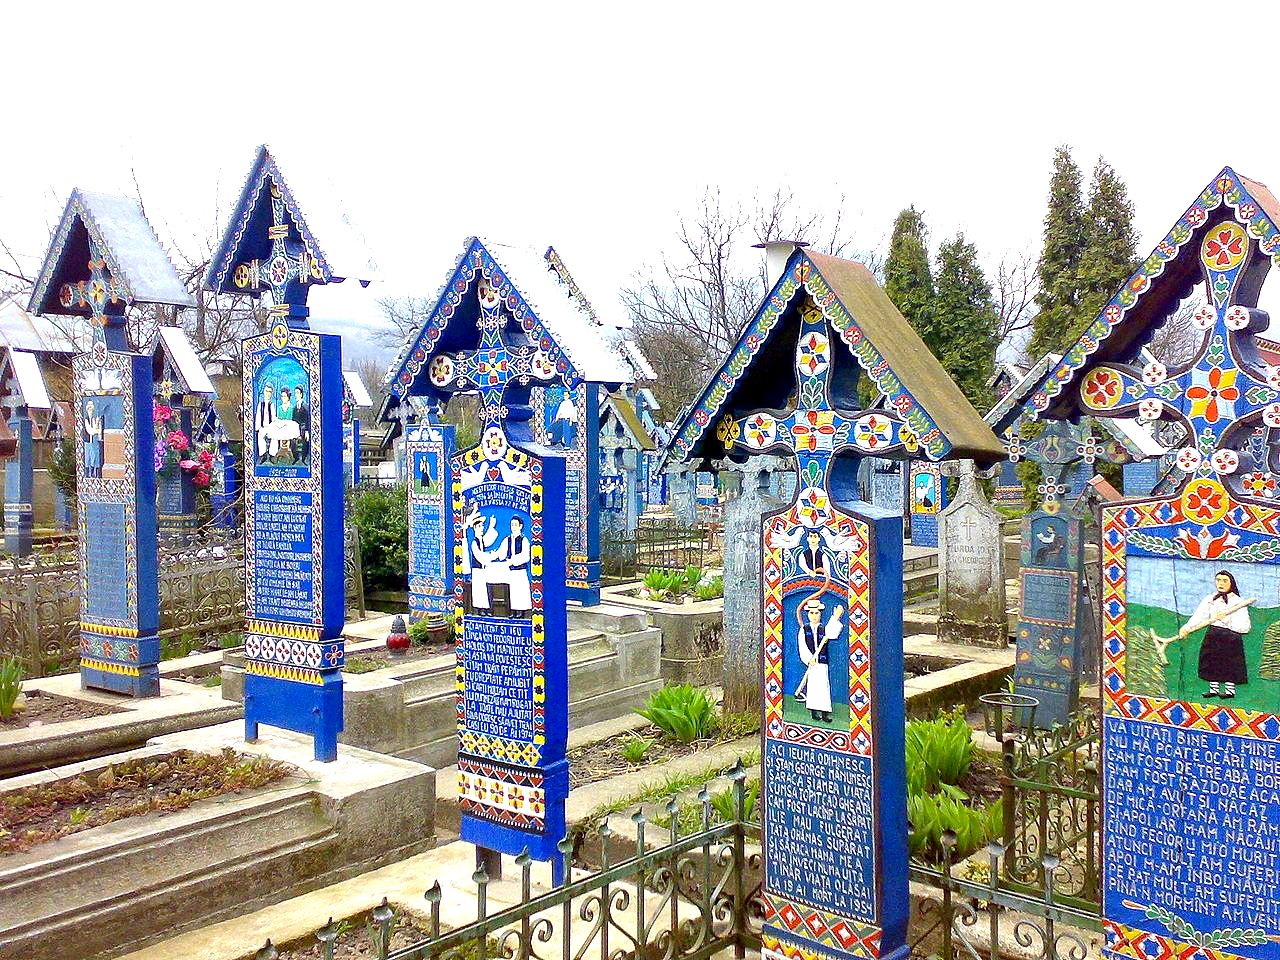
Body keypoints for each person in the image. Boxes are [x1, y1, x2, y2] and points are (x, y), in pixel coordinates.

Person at [1183, 571, 1252, 699]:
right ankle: (1213, 689)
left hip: (1231, 638)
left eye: (1225, 580)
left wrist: (1225, 620)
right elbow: (1200, 616)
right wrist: (1187, 627)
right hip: (1213, 635)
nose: (1220, 583)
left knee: (1229, 663)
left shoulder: (1238, 602)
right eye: (1218, 580)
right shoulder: (1210, 599)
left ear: (1231, 583)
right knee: (1211, 661)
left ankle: (1229, 691)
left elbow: (1245, 627)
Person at [796, 596, 842, 722]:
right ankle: (814, 712)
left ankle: (825, 713)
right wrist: (808, 658)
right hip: (812, 663)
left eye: (816, 613)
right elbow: (802, 646)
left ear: (820, 614)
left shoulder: (823, 628)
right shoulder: (804, 630)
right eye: (811, 613)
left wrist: (835, 617)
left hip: (822, 663)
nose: (814, 615)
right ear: (808, 614)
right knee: (813, 687)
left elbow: (832, 632)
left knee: (823, 686)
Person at [499, 516, 532, 615]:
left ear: (520, 526)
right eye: (512, 525)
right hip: (511, 571)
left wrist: (514, 561)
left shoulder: (524, 540)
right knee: (512, 591)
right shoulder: (507, 540)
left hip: (520, 571)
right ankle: (513, 611)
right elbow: (501, 552)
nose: (513, 527)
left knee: (520, 591)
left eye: (515, 525)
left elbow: (526, 556)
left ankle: (521, 612)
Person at [255, 383, 277, 462]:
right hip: (263, 426)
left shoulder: (272, 405)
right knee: (260, 436)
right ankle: (263, 455)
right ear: (264, 392)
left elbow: (274, 417)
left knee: (274, 437)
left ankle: (272, 455)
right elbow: (258, 416)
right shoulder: (260, 404)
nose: (268, 393)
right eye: (267, 391)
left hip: (271, 427)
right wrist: (259, 427)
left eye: (270, 392)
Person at [82, 399, 103, 478]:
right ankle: (87, 474)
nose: (90, 407)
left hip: (93, 442)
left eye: (91, 405)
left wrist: (96, 427)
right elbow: (91, 431)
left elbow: (98, 431)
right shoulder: (86, 420)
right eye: (89, 405)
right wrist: (95, 427)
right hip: (87, 442)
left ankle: (94, 474)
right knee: (88, 458)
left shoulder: (93, 419)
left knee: (94, 457)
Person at [292, 385, 311, 464]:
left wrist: (307, 431)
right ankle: (295, 457)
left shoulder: (305, 406)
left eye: (297, 393)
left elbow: (307, 419)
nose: (296, 395)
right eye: (295, 393)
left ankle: (304, 458)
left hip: (304, 428)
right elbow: (293, 419)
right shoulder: (294, 407)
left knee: (305, 440)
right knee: (292, 440)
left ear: (301, 394)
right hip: (296, 428)